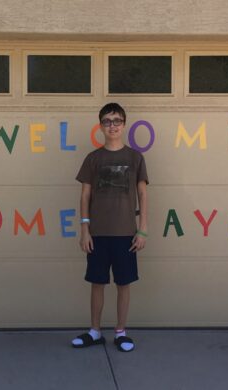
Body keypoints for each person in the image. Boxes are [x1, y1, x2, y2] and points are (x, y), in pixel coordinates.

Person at [71, 103, 149, 352]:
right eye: (107, 121)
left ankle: (121, 332)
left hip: (126, 233)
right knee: (97, 282)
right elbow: (84, 196)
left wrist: (142, 229)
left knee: (124, 283)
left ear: (124, 124)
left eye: (116, 120)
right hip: (98, 234)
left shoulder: (135, 158)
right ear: (100, 126)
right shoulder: (93, 158)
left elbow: (143, 195)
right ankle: (94, 331)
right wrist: (84, 229)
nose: (112, 125)